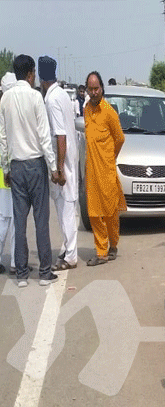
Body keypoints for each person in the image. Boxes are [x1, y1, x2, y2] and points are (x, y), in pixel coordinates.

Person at [0, 54, 60, 287]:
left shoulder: (5, 99)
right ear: (30, 73)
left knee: (20, 222)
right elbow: (44, 136)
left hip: (16, 166)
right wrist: (53, 167)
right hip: (36, 165)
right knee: (41, 220)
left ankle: (22, 274)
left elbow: (3, 138)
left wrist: (6, 167)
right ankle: (44, 273)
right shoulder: (36, 97)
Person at [39, 56, 79, 271]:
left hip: (63, 162)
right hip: (69, 158)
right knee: (67, 208)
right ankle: (67, 248)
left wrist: (59, 169)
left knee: (65, 210)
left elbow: (60, 135)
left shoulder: (52, 99)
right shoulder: (62, 94)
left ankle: (71, 255)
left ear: (40, 78)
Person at [83, 71, 125, 266]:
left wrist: (109, 158)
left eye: (96, 88)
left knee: (110, 212)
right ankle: (101, 252)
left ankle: (113, 245)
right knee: (93, 213)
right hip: (91, 171)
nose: (93, 92)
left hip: (107, 170)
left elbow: (120, 139)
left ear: (102, 88)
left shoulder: (109, 112)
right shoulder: (86, 110)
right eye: (90, 89)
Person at [0, 72, 16, 275]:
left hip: (5, 172)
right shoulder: (8, 110)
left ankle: (14, 260)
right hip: (8, 172)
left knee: (7, 218)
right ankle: (14, 262)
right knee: (10, 219)